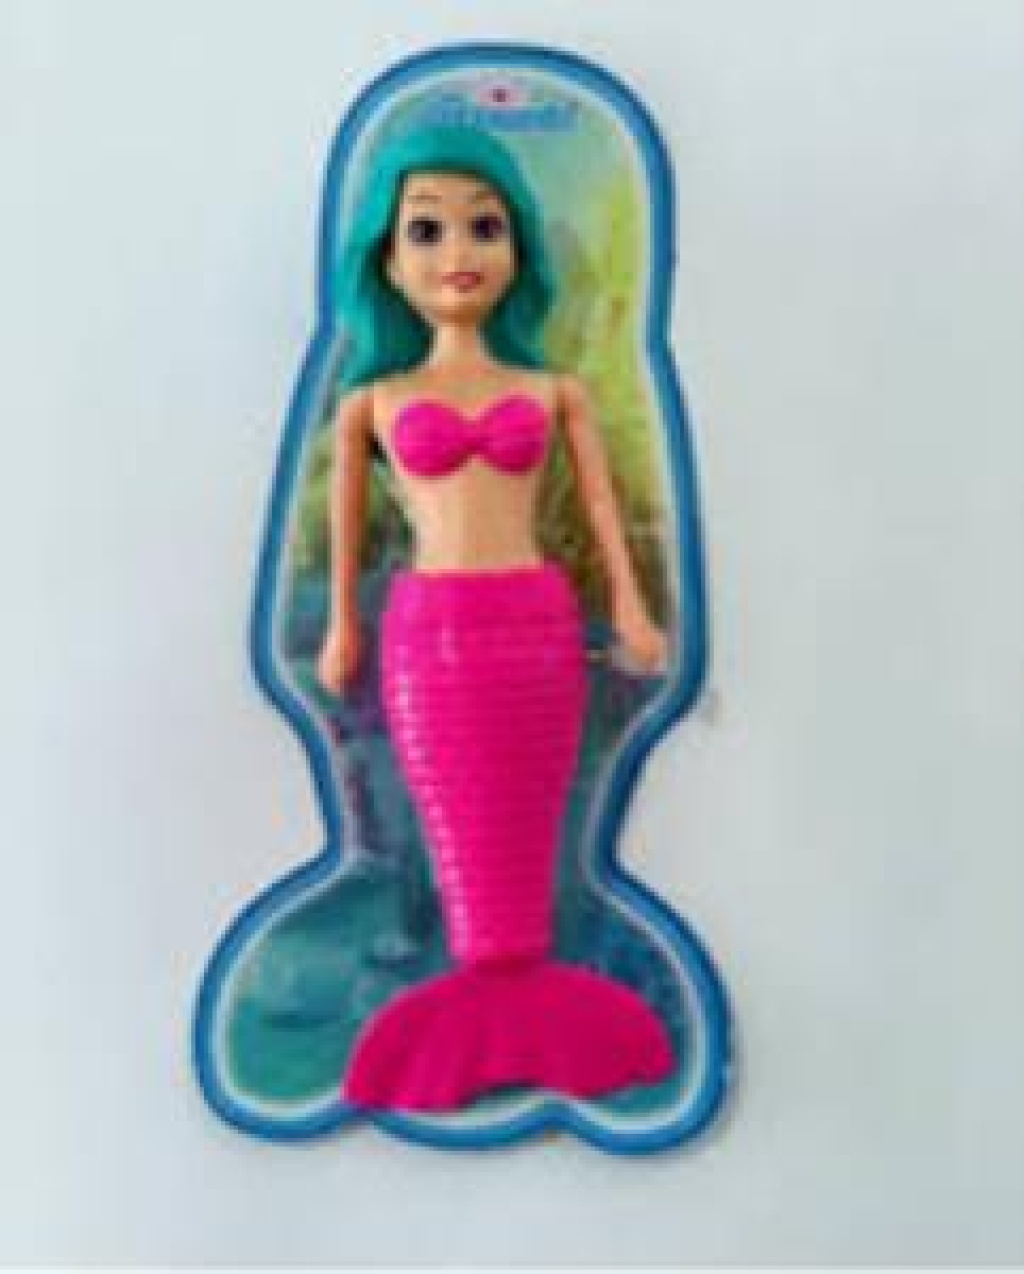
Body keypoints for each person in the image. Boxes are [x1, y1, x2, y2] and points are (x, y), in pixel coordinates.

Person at [316, 125, 675, 1111]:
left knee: (532, 816)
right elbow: (346, 536)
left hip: (537, 629)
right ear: (387, 261)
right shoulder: (372, 402)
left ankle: (530, 990)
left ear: (517, 246)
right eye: (426, 230)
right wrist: (343, 624)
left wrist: (632, 607)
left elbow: (601, 513)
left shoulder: (553, 391)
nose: (458, 253)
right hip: (429, 640)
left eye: (485, 226)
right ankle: (478, 988)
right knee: (454, 816)